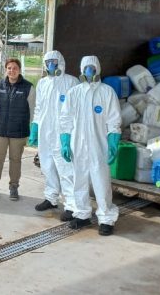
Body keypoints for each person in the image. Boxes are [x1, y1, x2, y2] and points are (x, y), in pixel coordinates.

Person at [59, 55, 122, 235]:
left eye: (92, 68)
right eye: (86, 67)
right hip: (77, 145)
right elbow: (65, 120)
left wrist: (112, 143)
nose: (89, 71)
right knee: (79, 180)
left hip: (98, 146)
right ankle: (82, 215)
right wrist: (64, 142)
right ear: (81, 69)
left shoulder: (107, 92)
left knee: (101, 182)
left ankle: (106, 219)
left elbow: (113, 120)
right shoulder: (74, 92)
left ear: (98, 69)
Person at [28, 50, 79, 221]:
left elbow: (76, 110)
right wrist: (35, 126)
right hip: (45, 131)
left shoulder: (71, 82)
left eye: (54, 61)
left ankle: (72, 205)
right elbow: (39, 107)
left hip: (62, 132)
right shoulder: (42, 83)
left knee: (66, 169)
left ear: (60, 62)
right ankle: (51, 198)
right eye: (48, 61)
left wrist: (70, 134)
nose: (51, 65)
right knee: (47, 165)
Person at [0, 58, 36, 201]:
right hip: (0, 131)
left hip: (19, 132)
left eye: (15, 68)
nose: (12, 70)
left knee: (15, 160)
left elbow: (33, 111)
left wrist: (32, 130)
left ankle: (14, 187)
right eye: (9, 68)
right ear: (5, 69)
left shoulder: (28, 87)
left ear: (19, 70)